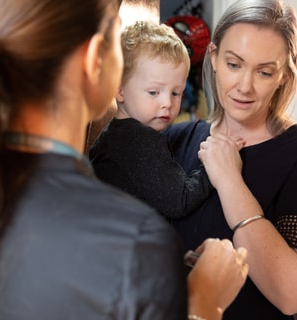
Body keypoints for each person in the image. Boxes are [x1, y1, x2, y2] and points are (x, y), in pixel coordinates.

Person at [0, 1, 248, 320]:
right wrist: (203, 301)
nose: (167, 103)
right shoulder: (135, 241)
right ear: (95, 61)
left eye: (175, 92)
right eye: (117, 38)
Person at [164, 0, 297, 319]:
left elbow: (293, 296)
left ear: (284, 75)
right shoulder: (174, 141)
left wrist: (231, 182)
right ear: (214, 57)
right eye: (234, 64)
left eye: (264, 71)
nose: (245, 86)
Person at [90, 21, 242, 218]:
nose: (167, 103)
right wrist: (214, 167)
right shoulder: (141, 141)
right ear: (119, 90)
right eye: (153, 92)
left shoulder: (112, 135)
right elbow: (179, 201)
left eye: (176, 93)